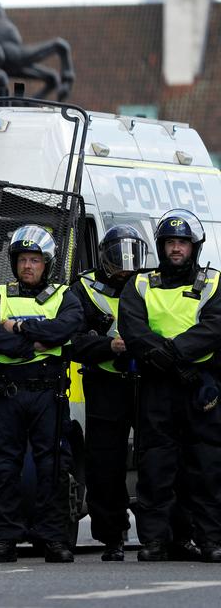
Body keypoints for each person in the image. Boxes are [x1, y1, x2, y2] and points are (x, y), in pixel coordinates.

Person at [69, 225, 177, 561]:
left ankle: (158, 535)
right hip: (105, 382)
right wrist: (108, 346)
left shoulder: (149, 283)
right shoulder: (84, 289)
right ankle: (111, 536)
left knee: (154, 459)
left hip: (148, 380)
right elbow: (73, 339)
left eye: (133, 259)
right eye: (119, 260)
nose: (126, 268)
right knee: (105, 463)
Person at [119, 208, 221, 563]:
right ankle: (155, 541)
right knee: (156, 466)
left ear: (194, 247)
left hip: (200, 389)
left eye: (182, 243)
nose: (176, 249)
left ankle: (210, 540)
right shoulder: (140, 283)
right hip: (157, 386)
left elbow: (214, 326)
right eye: (170, 243)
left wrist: (173, 352)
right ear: (160, 247)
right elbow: (132, 327)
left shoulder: (213, 283)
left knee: (206, 466)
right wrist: (165, 357)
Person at [0, 226, 83, 563]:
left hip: (48, 394)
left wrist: (21, 327)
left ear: (46, 263)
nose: (28, 266)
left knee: (52, 467)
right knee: (2, 467)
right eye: (22, 259)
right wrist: (35, 345)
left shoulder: (64, 295)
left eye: (34, 260)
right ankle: (4, 539)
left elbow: (66, 328)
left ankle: (52, 537)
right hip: (6, 392)